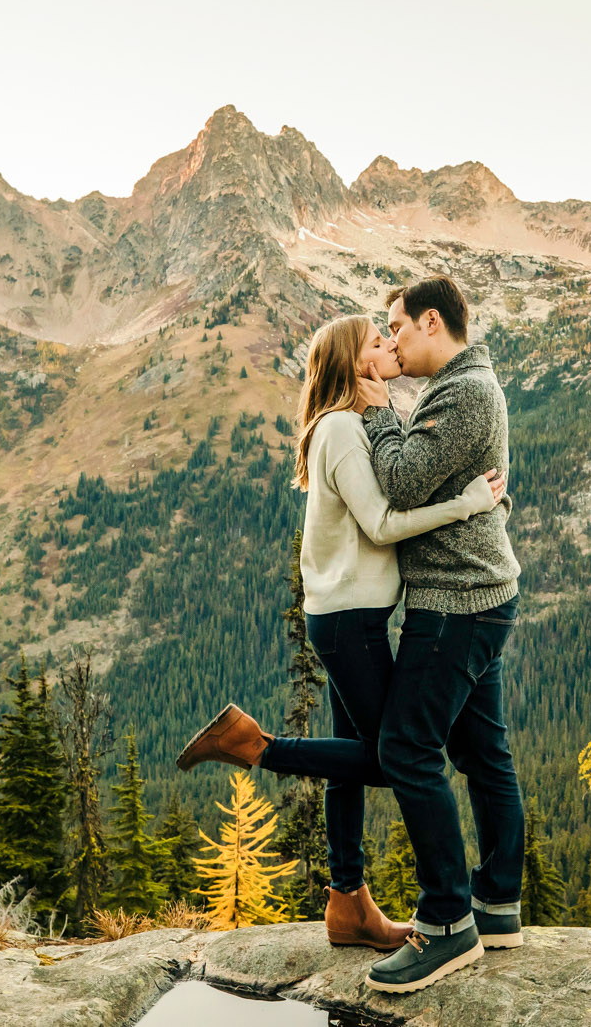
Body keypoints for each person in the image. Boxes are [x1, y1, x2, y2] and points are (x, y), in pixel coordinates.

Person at [174, 312, 505, 953]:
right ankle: (256, 747)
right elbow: (382, 525)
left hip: (347, 616)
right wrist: (468, 504)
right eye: (378, 343)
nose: (390, 347)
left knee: (351, 762)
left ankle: (348, 901)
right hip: (350, 622)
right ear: (355, 364)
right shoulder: (344, 430)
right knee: (395, 759)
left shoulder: (341, 426)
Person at [357, 275, 525, 994]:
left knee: (407, 747)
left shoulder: (463, 392)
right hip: (479, 593)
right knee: (480, 748)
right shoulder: (466, 383)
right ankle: (497, 901)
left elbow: (399, 478)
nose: (390, 339)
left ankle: (448, 922)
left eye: (396, 326)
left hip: (456, 603)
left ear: (432, 321)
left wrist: (375, 407)